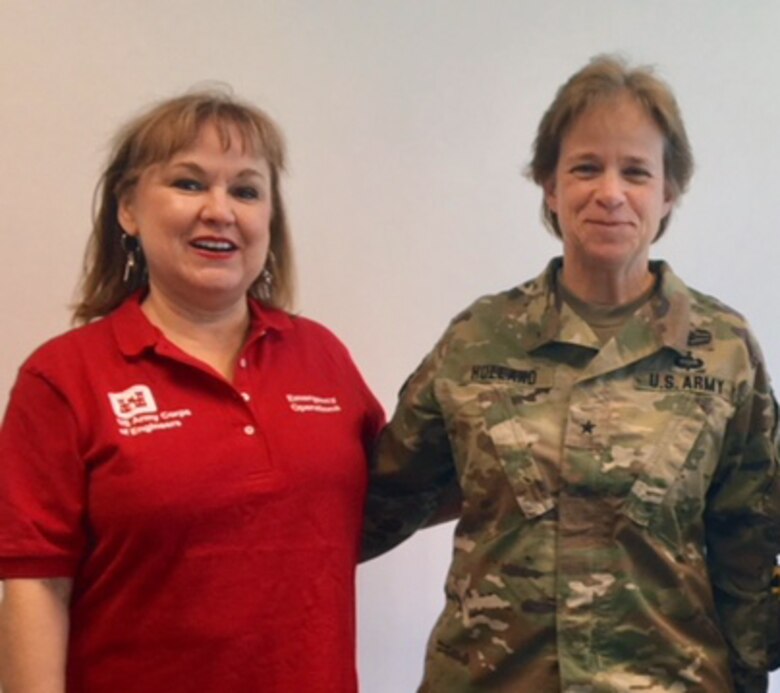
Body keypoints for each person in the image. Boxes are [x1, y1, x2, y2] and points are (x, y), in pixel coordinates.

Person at [363, 55, 779, 692]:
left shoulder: (723, 350)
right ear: (550, 187)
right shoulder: (480, 339)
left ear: (668, 193)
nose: (609, 192)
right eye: (585, 167)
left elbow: (748, 544)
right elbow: (377, 499)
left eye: (636, 172)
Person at [0, 90, 384, 693]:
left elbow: (399, 495)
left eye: (246, 191)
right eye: (188, 183)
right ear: (128, 208)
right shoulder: (64, 378)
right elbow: (36, 587)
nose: (220, 210)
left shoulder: (321, 357)